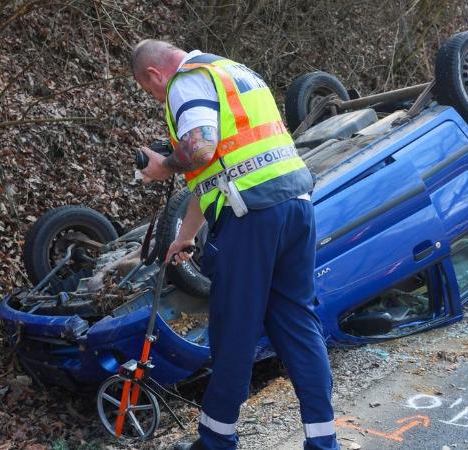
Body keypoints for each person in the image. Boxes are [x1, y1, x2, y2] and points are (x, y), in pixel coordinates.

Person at [131, 40, 339, 450]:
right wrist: (185, 236)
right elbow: (215, 171)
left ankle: (216, 441)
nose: (158, 98)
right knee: (298, 325)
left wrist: (164, 165)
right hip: (295, 206)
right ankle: (323, 441)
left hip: (252, 218)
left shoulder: (184, 83)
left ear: (155, 74)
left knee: (234, 331)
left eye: (150, 90)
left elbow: (201, 147)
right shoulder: (234, 72)